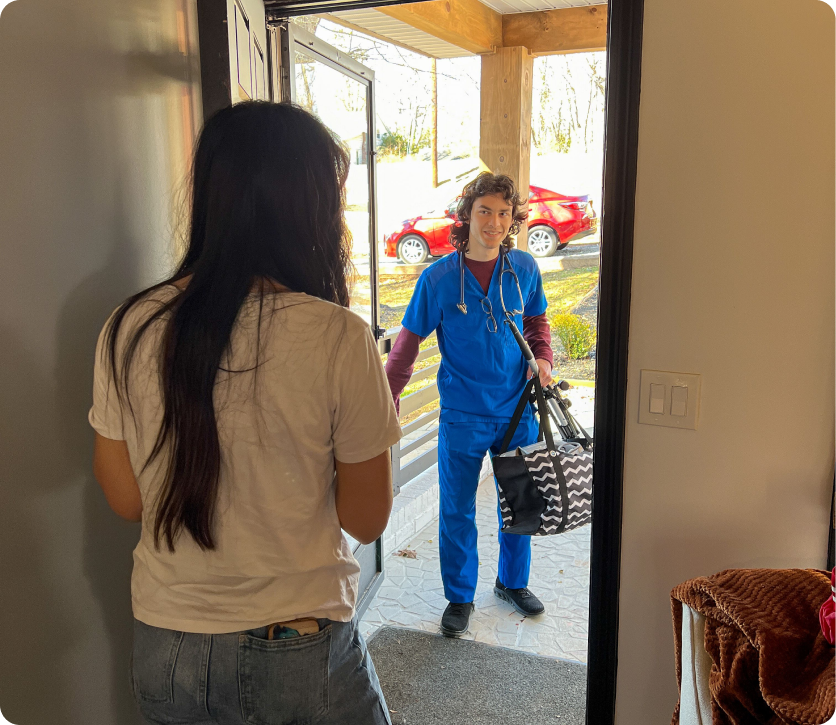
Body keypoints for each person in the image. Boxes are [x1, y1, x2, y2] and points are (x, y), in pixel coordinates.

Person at [89, 101, 401, 725]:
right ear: (308, 207)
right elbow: (366, 520)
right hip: (296, 642)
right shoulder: (337, 335)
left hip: (166, 643)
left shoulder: (130, 326)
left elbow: (127, 501)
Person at [385, 172, 553, 637]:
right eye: (485, 211)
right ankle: (459, 597)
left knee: (521, 503)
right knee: (456, 508)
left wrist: (543, 358)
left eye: (503, 213)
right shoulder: (437, 278)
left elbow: (538, 320)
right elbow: (406, 347)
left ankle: (511, 583)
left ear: (513, 218)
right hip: (462, 414)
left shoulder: (524, 268)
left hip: (517, 410)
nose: (494, 222)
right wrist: (386, 401)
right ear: (467, 215)